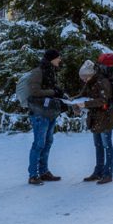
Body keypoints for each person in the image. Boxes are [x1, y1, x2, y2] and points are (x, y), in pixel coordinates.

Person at [27, 48, 65, 185]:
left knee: (48, 142)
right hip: (39, 113)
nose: (60, 60)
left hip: (49, 113)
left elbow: (53, 91)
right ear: (51, 59)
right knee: (39, 144)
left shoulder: (51, 71)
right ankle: (33, 175)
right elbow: (34, 91)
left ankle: (43, 172)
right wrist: (53, 92)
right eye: (58, 57)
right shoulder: (38, 72)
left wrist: (58, 94)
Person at [77, 59, 113, 184]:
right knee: (98, 146)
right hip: (95, 118)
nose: (83, 80)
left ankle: (108, 173)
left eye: (85, 77)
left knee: (106, 146)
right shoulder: (90, 82)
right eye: (82, 77)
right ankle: (98, 172)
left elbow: (103, 100)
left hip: (106, 117)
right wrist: (74, 103)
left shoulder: (102, 82)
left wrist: (86, 104)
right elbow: (81, 95)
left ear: (91, 74)